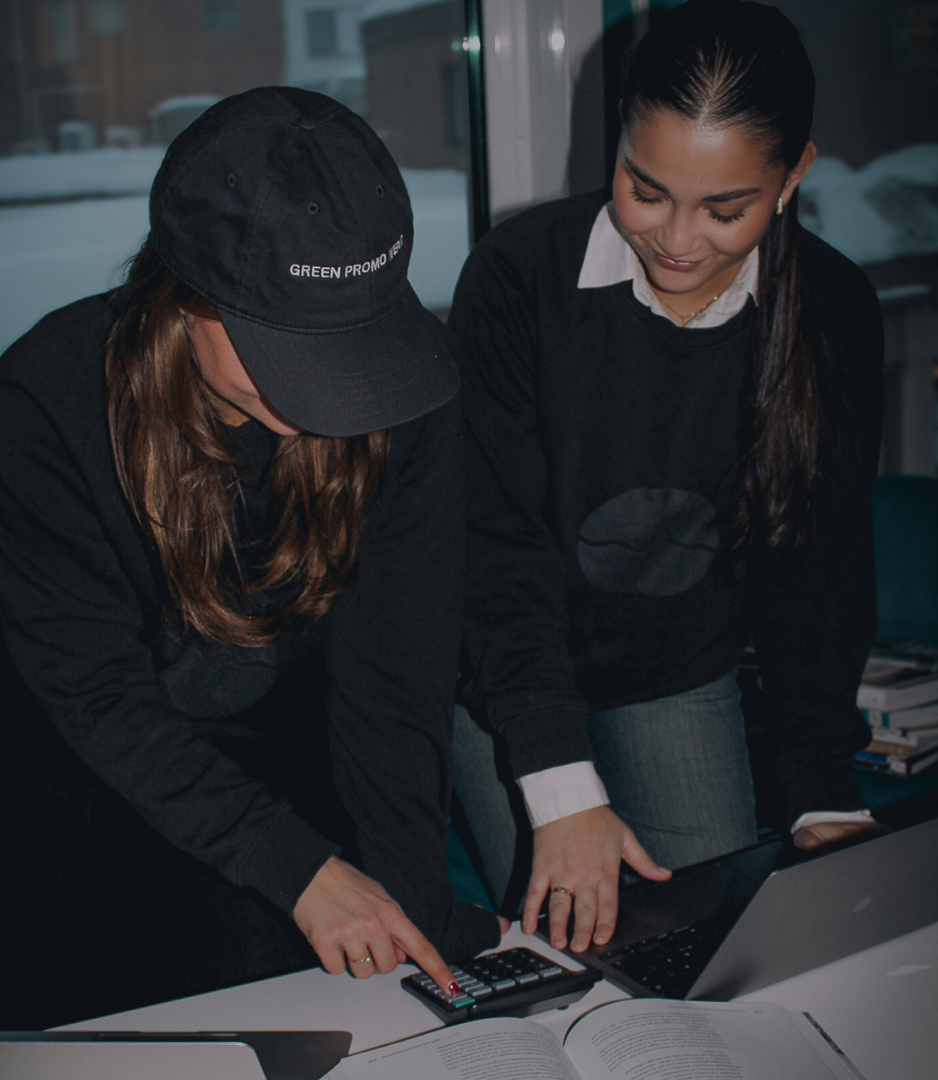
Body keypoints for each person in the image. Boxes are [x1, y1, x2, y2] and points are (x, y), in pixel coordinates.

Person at [0, 87, 500, 1032]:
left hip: (268, 693)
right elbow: (99, 697)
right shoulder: (41, 404)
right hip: (59, 723)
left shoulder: (411, 395)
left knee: (297, 980)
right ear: (186, 293)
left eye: (354, 339)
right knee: (107, 1023)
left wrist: (404, 911)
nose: (336, 390)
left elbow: (396, 675)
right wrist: (299, 868)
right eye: (288, 343)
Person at [449, 0, 883, 958]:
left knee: (721, 950)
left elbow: (821, 565)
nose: (678, 238)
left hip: (677, 673)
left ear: (796, 173)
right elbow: (497, 550)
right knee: (571, 954)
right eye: (646, 191)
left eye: (728, 209)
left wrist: (820, 786)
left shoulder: (835, 308)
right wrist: (559, 783)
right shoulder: (517, 278)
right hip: (502, 677)